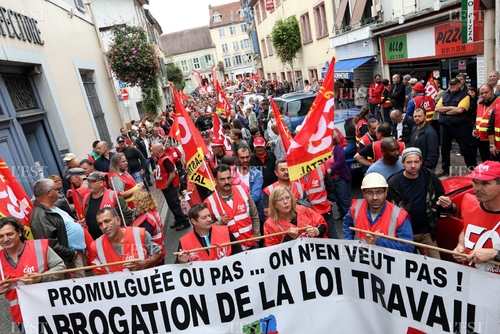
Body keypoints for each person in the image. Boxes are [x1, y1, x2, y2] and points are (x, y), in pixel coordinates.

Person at [0, 217, 65, 332]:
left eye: (9, 234)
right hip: (23, 317)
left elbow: (60, 266)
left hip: (51, 310)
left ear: (19, 232)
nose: (5, 239)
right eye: (1, 236)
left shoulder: (39, 247)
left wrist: (41, 278)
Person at [387, 148, 453, 259]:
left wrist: (446, 204)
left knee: (435, 266)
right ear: (402, 163)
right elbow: (387, 210)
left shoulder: (430, 177)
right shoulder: (393, 183)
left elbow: (441, 197)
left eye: (416, 162)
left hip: (426, 234)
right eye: (409, 162)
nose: (413, 165)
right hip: (403, 236)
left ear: (421, 161)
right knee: (404, 269)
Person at [343, 172, 414, 252]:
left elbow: (408, 247)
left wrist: (379, 242)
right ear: (363, 193)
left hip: (386, 263)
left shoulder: (399, 216)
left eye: (379, 192)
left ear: (386, 192)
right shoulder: (356, 207)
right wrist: (348, 243)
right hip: (361, 260)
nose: (375, 197)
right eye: (370, 192)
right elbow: (347, 225)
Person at [452, 161, 500, 273]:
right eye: (475, 182)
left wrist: (495, 254)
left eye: (485, 183)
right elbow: (467, 227)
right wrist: (461, 245)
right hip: (470, 282)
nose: (477, 188)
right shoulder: (469, 203)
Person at [90, 208, 163, 274]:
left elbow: (158, 254)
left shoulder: (139, 234)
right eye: (100, 224)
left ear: (118, 220)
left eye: (107, 221)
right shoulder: (96, 247)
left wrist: (143, 263)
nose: (104, 227)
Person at [204, 164, 260, 250]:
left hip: (251, 244)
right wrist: (220, 222)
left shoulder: (242, 190)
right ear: (216, 181)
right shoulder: (209, 202)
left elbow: (254, 215)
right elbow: (206, 229)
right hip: (230, 251)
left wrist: (257, 239)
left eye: (229, 178)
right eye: (222, 179)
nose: (226, 182)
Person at [30, 178, 78, 269]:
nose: (58, 192)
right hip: (64, 262)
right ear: (49, 193)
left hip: (69, 258)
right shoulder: (40, 216)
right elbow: (50, 245)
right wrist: (71, 253)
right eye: (56, 189)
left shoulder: (51, 207)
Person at [435, 77, 476, 176]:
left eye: (454, 84)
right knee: (444, 148)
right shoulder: (445, 95)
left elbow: (460, 110)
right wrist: (451, 108)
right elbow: (436, 108)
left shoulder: (465, 96)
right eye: (450, 84)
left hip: (460, 127)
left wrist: (444, 111)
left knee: (466, 148)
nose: (451, 86)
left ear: (459, 85)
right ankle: (445, 169)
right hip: (445, 126)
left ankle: (473, 168)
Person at [264, 185, 328, 247]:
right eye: (280, 199)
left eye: (287, 197)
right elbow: (273, 251)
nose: (285, 202)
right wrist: (290, 238)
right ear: (274, 204)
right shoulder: (269, 225)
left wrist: (316, 231)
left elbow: (322, 223)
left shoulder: (303, 210)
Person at [176, 203, 242, 263]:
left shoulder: (225, 231)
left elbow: (239, 254)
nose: (209, 219)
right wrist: (182, 262)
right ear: (194, 221)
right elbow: (177, 268)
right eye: (204, 218)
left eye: (209, 216)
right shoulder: (184, 241)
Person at [83, 171, 134, 240]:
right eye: (88, 181)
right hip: (96, 240)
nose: (89, 184)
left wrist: (117, 231)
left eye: (93, 181)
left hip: (114, 238)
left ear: (101, 183)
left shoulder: (114, 196)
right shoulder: (86, 198)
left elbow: (127, 215)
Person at [151, 143, 191, 231]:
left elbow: (172, 174)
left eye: (153, 150)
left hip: (169, 186)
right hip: (166, 187)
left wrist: (167, 185)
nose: (152, 152)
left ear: (157, 151)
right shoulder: (162, 159)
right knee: (171, 204)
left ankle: (184, 221)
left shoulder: (165, 159)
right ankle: (178, 219)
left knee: (175, 204)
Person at [324, 131, 352, 222]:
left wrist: (329, 170)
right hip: (331, 180)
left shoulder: (338, 148)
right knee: (337, 199)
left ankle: (350, 218)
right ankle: (342, 214)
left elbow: (340, 162)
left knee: (344, 198)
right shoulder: (324, 150)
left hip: (340, 178)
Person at [132, 190, 165, 263]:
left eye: (135, 200)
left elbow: (143, 239)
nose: (132, 201)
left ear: (140, 202)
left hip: (153, 253)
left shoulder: (147, 221)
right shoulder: (152, 211)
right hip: (158, 248)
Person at [235, 145, 264, 218]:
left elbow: (255, 197)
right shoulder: (231, 173)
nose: (245, 160)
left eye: (247, 157)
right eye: (242, 158)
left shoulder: (257, 174)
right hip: (236, 214)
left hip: (253, 213)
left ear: (250, 157)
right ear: (237, 158)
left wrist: (236, 202)